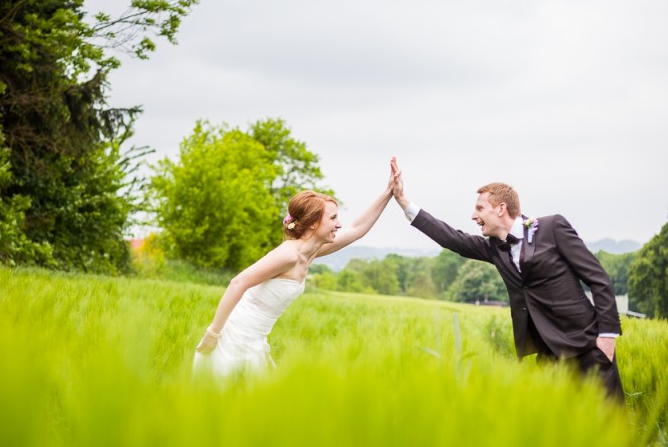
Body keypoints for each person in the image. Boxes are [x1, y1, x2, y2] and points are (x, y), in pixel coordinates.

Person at [390, 161, 625, 403]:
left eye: (479, 208)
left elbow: (598, 278)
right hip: (548, 355)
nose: (474, 216)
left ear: (501, 208)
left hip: (587, 346)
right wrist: (403, 201)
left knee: (609, 425)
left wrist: (607, 336)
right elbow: (450, 238)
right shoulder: (493, 249)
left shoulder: (552, 227)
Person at [194, 159, 401, 378]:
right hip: (234, 339)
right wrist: (213, 333)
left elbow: (357, 229)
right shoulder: (289, 254)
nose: (338, 224)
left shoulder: (311, 252)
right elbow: (238, 282)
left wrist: (388, 192)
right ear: (313, 223)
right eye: (332, 218)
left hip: (255, 340)